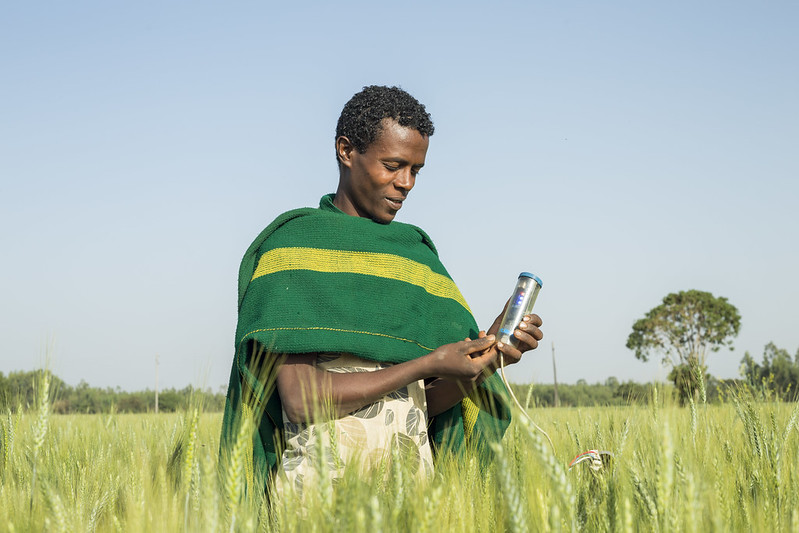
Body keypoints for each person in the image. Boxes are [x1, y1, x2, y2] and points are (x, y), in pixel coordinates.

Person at [220, 85, 543, 498]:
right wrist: (425, 364)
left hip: (411, 500)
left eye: (416, 170)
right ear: (346, 151)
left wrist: (490, 356)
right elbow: (300, 399)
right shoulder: (297, 248)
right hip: (322, 500)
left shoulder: (416, 258)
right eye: (393, 165)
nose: (406, 183)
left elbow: (426, 406)